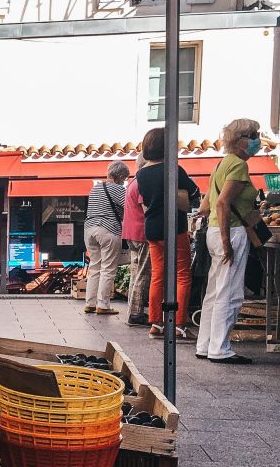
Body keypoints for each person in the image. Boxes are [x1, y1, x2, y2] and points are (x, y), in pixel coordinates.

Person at [196, 118, 263, 364]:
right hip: (230, 232)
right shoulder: (238, 166)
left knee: (214, 292)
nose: (257, 140)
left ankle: (205, 345)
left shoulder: (221, 164)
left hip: (215, 229)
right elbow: (223, 202)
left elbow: (206, 205)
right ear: (241, 140)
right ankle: (220, 349)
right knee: (230, 292)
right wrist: (227, 242)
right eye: (254, 135)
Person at [136, 127, 196, 340]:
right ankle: (179, 324)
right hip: (174, 227)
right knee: (182, 275)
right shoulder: (174, 170)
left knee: (158, 275)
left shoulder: (141, 174)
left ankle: (155, 323)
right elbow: (194, 192)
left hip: (152, 228)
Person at [82, 162, 127, 315]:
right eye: (124, 178)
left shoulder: (95, 188)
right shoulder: (118, 189)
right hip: (108, 229)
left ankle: (90, 303)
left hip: (89, 229)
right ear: (120, 176)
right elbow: (130, 207)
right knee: (108, 269)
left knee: (94, 267)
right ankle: (103, 305)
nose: (124, 181)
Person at [123, 157, 151, 326]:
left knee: (136, 271)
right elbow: (146, 209)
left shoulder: (133, 181)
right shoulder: (143, 181)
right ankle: (136, 314)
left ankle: (132, 310)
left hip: (130, 232)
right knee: (143, 272)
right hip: (142, 232)